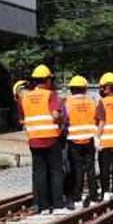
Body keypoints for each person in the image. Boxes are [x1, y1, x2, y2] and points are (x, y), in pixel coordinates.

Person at [20, 64, 65, 213]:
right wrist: (61, 121)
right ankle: (58, 204)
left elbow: (23, 118)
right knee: (56, 172)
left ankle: (44, 206)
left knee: (40, 173)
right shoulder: (50, 95)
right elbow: (55, 115)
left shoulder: (25, 97)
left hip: (34, 139)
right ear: (47, 80)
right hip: (51, 138)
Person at [65, 76, 99, 207]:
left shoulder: (67, 102)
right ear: (85, 88)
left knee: (77, 169)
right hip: (89, 139)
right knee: (90, 168)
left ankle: (77, 196)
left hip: (74, 139)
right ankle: (94, 195)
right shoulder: (91, 101)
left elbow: (64, 120)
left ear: (72, 89)